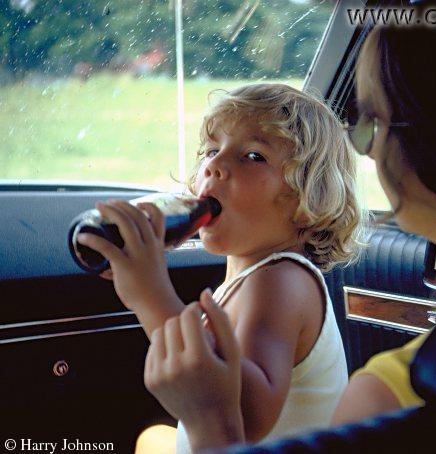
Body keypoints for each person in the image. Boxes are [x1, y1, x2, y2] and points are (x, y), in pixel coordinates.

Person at [142, 0, 436, 450]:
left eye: (371, 123)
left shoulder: (385, 401)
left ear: (425, 146)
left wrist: (207, 422)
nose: (367, 150)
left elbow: (243, 423)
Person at [76, 83, 365, 449]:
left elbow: (241, 419)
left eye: (253, 156)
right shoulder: (252, 277)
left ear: (307, 196)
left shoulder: (281, 281)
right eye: (213, 150)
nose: (214, 165)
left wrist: (150, 298)